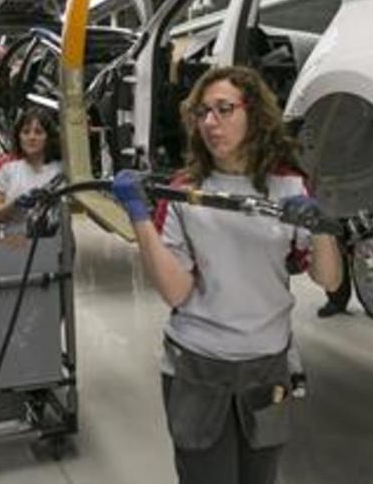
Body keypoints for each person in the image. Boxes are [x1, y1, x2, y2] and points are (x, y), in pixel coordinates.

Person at [111, 65, 342, 484]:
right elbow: (177, 292)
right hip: (199, 367)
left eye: (224, 109)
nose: (211, 123)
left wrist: (323, 229)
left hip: (267, 366)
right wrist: (140, 218)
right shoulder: (184, 191)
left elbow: (329, 281)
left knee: (261, 477)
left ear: (254, 114)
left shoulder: (289, 188)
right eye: (202, 113)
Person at [0, 107, 62, 236]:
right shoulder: (5, 166)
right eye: (26, 132)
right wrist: (14, 205)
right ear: (18, 136)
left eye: (38, 132)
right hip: (15, 245)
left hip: (58, 243)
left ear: (49, 137)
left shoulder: (61, 166)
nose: (32, 137)